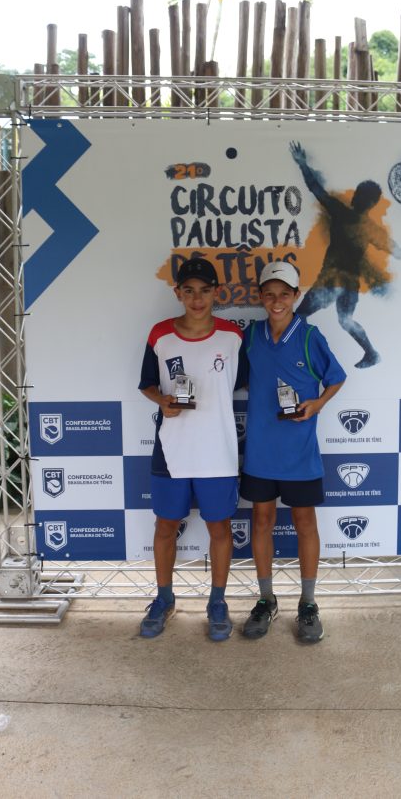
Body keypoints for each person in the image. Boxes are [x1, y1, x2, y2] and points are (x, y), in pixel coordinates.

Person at [238, 261, 346, 643]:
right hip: (260, 452)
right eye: (269, 294)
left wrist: (317, 404)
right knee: (261, 521)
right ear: (260, 297)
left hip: (299, 452)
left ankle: (308, 603)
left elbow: (336, 378)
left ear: (296, 296)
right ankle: (266, 600)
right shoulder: (251, 335)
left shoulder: (309, 335)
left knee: (305, 524)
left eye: (284, 293)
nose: (277, 301)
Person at [138, 257, 242, 640]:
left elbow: (243, 382)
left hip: (218, 450)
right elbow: (147, 383)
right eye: (189, 291)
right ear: (177, 293)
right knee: (166, 525)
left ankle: (217, 602)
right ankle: (164, 599)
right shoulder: (160, 334)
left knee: (220, 526)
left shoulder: (233, 336)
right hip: (172, 449)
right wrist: (161, 400)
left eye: (204, 290)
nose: (197, 299)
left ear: (217, 293)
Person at [290, 140, 401, 369]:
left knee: (298, 318)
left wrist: (302, 164)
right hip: (349, 284)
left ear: (366, 201)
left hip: (331, 280)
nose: (354, 197)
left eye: (359, 195)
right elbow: (400, 253)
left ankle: (295, 357)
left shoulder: (341, 212)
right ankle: (371, 353)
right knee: (345, 320)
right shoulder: (372, 230)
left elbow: (316, 189)